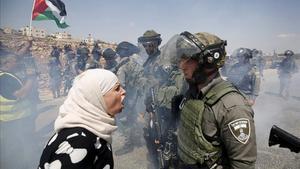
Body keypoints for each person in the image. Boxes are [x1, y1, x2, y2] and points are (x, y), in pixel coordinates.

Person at [164, 31, 257, 169]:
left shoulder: (232, 107)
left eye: (187, 59)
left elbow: (243, 164)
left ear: (208, 62)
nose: (181, 65)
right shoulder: (192, 91)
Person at [38, 69, 126, 169]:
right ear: (96, 97)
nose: (123, 91)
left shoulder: (91, 131)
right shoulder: (78, 142)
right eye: (117, 88)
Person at [0, 51, 39, 169]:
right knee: (14, 149)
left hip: (17, 119)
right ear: (7, 63)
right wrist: (31, 78)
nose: (18, 63)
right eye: (16, 61)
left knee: (18, 147)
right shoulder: (4, 78)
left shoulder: (8, 75)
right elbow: (21, 94)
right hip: (13, 120)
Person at [113, 41, 144, 155]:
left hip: (127, 97)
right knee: (133, 117)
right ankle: (136, 137)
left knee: (123, 120)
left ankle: (128, 144)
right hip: (136, 96)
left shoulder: (123, 66)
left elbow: (120, 86)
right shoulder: (135, 61)